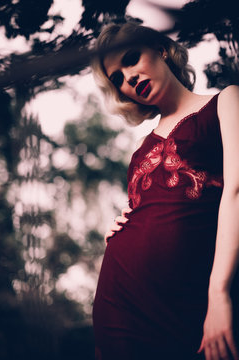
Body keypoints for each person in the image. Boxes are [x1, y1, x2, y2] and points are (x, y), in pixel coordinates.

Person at [91, 21, 239, 360]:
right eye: (117, 79)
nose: (128, 78)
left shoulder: (226, 101)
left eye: (131, 59)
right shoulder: (140, 148)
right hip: (121, 302)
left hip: (187, 298)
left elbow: (236, 191)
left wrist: (219, 294)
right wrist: (117, 228)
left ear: (160, 49)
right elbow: (148, 212)